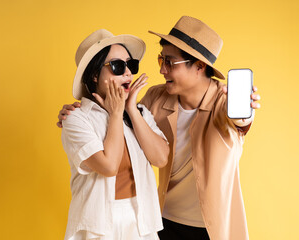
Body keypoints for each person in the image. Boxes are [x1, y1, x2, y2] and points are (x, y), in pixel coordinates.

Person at [58, 17, 261, 240]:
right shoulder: (156, 97)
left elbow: (240, 122)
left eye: (170, 62)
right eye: (160, 60)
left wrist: (245, 111)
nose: (162, 70)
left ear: (199, 66)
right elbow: (124, 122)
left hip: (213, 225)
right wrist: (79, 112)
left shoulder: (225, 100)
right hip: (163, 220)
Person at [60, 29, 169, 240]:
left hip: (141, 221)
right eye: (118, 66)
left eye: (131, 65)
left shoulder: (140, 114)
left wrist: (130, 111)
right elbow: (108, 166)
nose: (128, 72)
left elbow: (161, 158)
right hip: (98, 226)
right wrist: (116, 113)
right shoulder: (76, 119)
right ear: (94, 74)